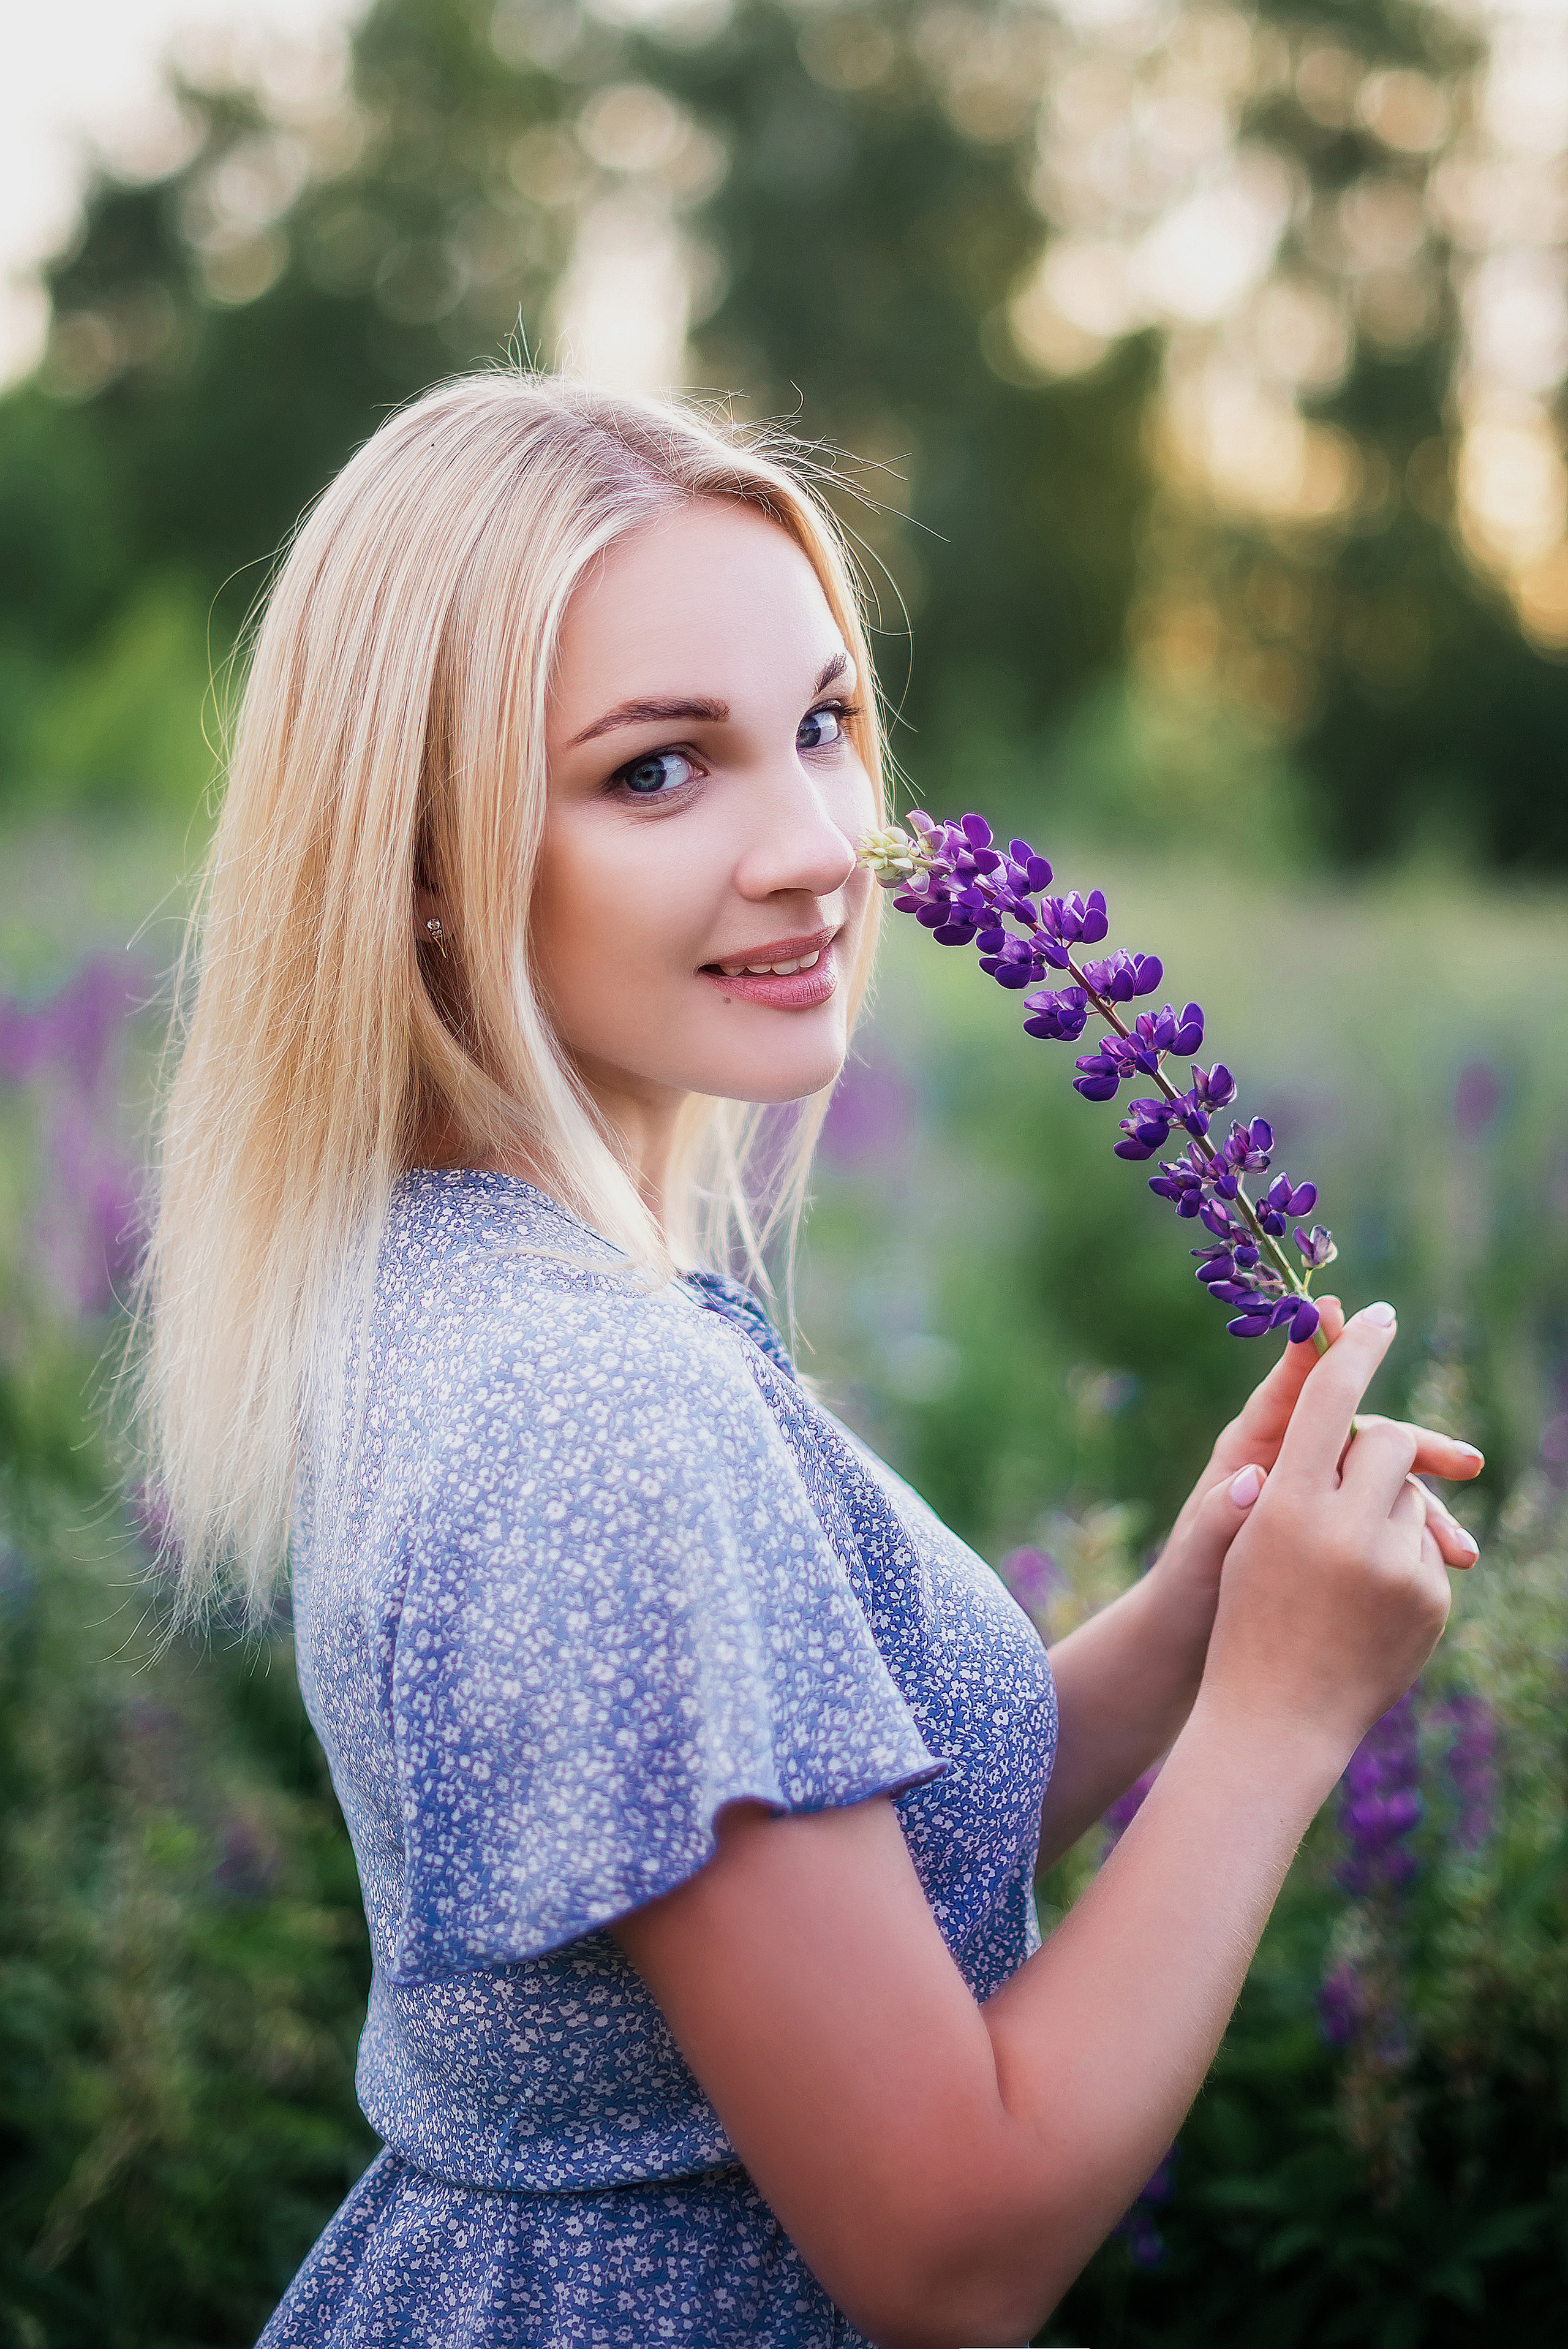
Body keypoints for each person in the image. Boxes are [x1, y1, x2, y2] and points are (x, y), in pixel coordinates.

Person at [138, 373, 1483, 2349]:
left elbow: (792, 1930)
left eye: (823, 724)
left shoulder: (486, 1289)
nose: (819, 846)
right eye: (658, 771)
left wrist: (1193, 1623)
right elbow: (950, 2249)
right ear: (422, 857)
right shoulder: (592, 1410)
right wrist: (1283, 1721)